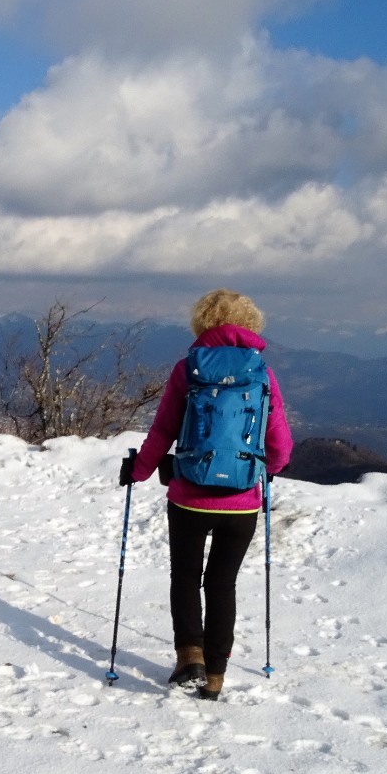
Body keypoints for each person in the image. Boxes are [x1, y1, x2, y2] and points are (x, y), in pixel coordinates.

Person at [119, 289, 292, 701]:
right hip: (242, 500)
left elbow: (163, 429)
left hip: (188, 497)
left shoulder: (188, 369)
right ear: (251, 323)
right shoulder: (262, 374)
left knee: (185, 578)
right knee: (222, 585)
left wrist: (138, 470)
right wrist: (267, 471)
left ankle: (189, 657)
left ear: (202, 322)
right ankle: (214, 677)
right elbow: (280, 443)